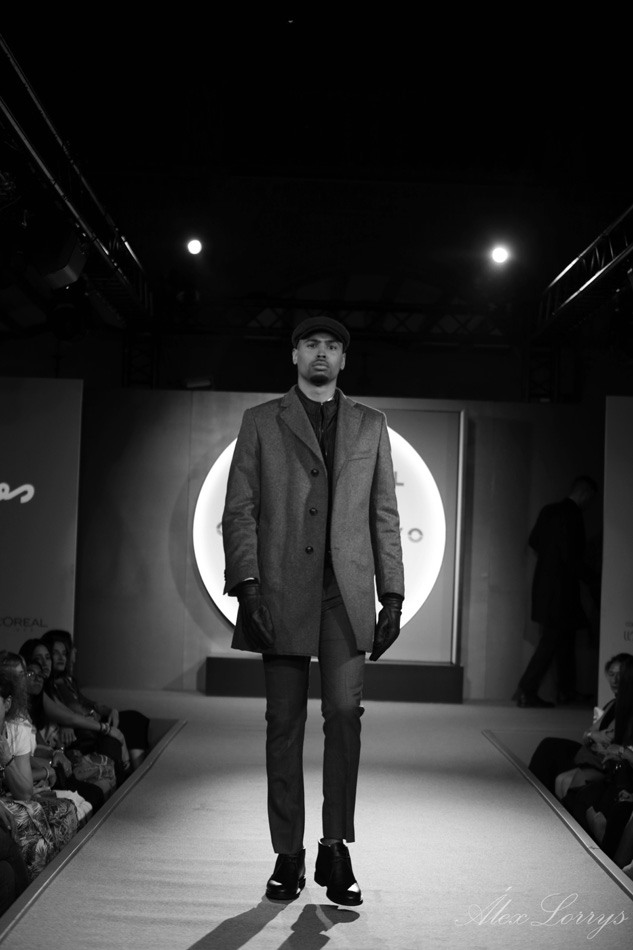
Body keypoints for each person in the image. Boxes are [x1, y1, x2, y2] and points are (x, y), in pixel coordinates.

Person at [222, 316, 405, 906]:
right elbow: (240, 508)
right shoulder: (261, 420)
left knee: (345, 715)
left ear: (344, 359)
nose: (321, 353)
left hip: (344, 595)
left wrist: (393, 594)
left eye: (332, 346)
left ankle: (335, 846)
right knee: (283, 724)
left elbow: (384, 514)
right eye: (311, 344)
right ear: (294, 354)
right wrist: (248, 587)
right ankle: (288, 853)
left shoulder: (371, 424)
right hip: (280, 590)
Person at [516, 475, 599, 708]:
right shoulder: (574, 516)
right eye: (591, 498)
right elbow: (572, 557)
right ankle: (528, 689)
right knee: (554, 640)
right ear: (586, 494)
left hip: (545, 586)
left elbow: (534, 541)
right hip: (563, 590)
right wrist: (593, 578)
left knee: (562, 639)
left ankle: (565, 690)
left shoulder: (548, 511)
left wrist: (550, 558)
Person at [528, 653, 630, 795]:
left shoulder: (627, 706)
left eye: (620, 674)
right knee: (548, 746)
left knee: (560, 772)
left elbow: (608, 738)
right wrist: (594, 736)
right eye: (611, 674)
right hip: (590, 754)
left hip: (602, 760)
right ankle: (532, 793)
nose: (615, 680)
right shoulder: (613, 704)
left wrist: (594, 736)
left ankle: (534, 796)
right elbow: (588, 735)